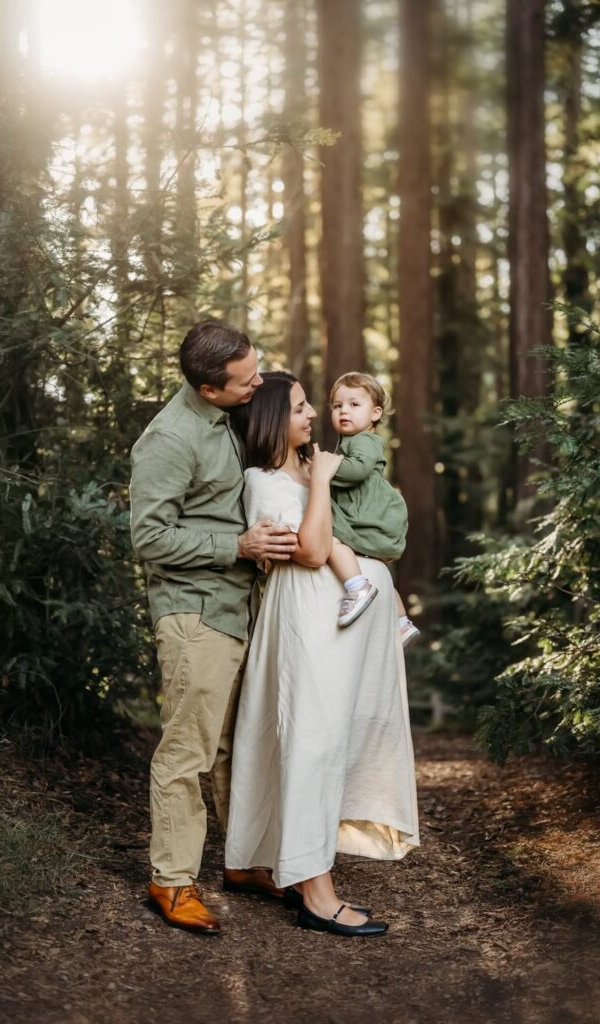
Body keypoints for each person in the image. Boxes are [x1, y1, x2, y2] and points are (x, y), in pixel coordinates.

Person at [225, 372, 419, 938]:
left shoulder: (308, 470)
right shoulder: (264, 479)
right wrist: (320, 483)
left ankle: (265, 860)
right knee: (311, 743)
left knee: (327, 741)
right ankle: (315, 890)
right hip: (309, 625)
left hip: (337, 631)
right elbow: (312, 550)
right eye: (302, 407)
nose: (314, 415)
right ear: (272, 421)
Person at [129, 320, 298, 935]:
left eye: (257, 367)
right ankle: (171, 882)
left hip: (236, 608)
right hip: (194, 613)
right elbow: (148, 537)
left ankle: (243, 862)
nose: (259, 381)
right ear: (208, 389)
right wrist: (239, 544)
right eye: (247, 378)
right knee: (188, 750)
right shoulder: (168, 441)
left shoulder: (231, 411)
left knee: (234, 745)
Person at [328, 372, 421, 647]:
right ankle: (402, 622)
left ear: (375, 413)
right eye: (337, 405)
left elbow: (357, 471)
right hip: (365, 512)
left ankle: (356, 587)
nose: (344, 410)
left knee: (331, 538)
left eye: (354, 405)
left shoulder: (364, 441)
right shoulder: (352, 440)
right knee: (376, 569)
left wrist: (321, 467)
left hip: (364, 515)